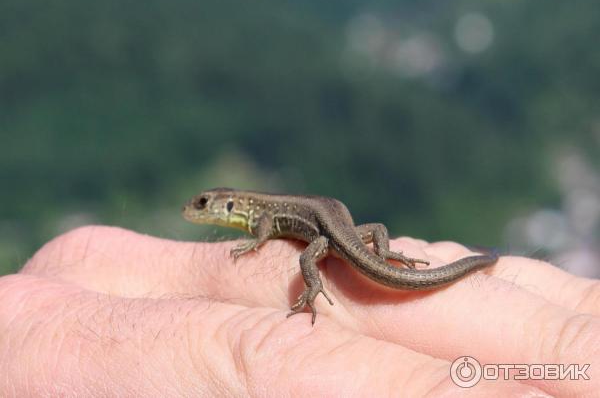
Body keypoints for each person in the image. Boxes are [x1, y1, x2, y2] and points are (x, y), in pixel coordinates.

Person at [0, 226, 597, 396]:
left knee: (317, 260)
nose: (202, 212)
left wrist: (306, 273)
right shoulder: (274, 214)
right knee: (363, 246)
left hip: (333, 239)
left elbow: (277, 234)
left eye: (210, 207)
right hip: (345, 234)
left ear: (234, 207)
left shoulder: (271, 218)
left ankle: (325, 283)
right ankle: (374, 262)